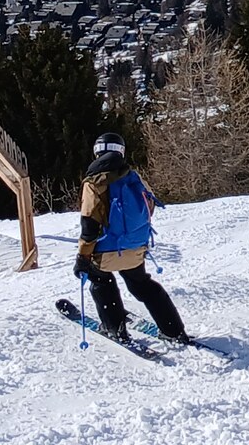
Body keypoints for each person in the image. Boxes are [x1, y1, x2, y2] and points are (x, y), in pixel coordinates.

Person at [76, 133, 190, 345]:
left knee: (101, 281)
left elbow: (89, 224)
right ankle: (173, 330)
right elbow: (149, 208)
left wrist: (82, 257)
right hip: (136, 247)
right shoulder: (134, 177)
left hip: (107, 251)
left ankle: (114, 328)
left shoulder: (94, 182)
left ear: (96, 152)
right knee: (141, 284)